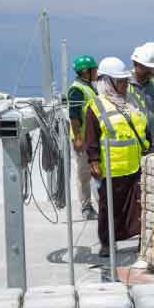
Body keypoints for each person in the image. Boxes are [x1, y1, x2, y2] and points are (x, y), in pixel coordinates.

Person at [84, 56, 150, 258]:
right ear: (108, 82)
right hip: (112, 168)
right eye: (120, 81)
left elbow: (143, 128)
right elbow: (91, 137)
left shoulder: (133, 101)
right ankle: (107, 243)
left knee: (139, 206)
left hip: (136, 165)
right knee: (109, 208)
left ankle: (142, 241)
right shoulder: (96, 106)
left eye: (125, 81)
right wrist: (93, 161)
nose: (124, 85)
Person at [67, 55, 99, 221]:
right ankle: (86, 207)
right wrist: (78, 138)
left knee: (95, 172)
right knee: (84, 174)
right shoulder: (77, 90)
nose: (97, 72)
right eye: (94, 69)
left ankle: (101, 204)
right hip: (83, 139)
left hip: (92, 138)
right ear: (86, 71)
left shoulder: (89, 86)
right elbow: (74, 116)